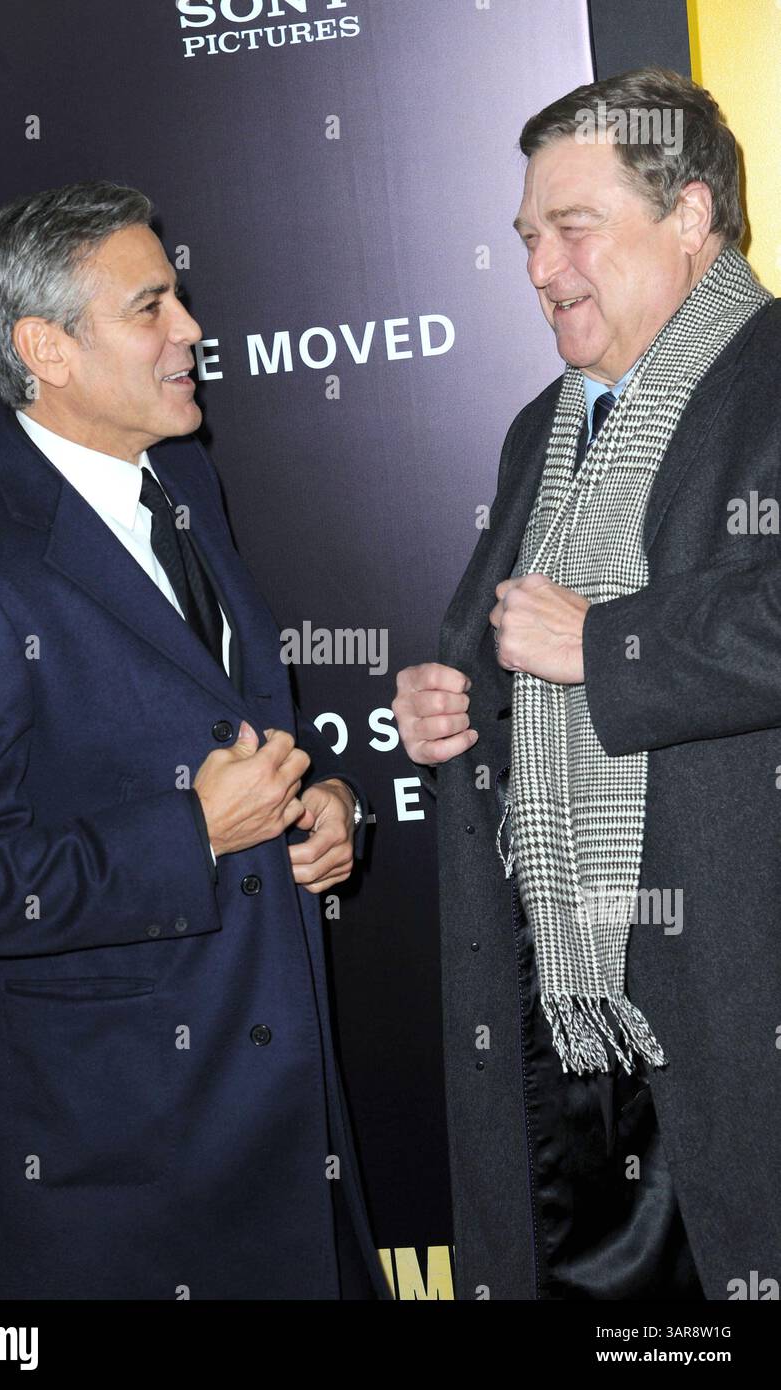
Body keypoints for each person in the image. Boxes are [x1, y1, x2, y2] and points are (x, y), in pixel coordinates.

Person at [0, 180, 389, 1301]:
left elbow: (225, 726)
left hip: (285, 1124)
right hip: (124, 1191)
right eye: (150, 307)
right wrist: (193, 831)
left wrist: (321, 805)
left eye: (180, 300)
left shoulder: (186, 481)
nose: (192, 330)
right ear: (46, 350)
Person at [393, 68, 781, 1301]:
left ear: (690, 215)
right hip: (566, 1033)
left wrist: (609, 645)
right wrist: (454, 708)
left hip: (734, 1013)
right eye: (526, 236)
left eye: (573, 228)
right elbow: (513, 652)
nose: (540, 266)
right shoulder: (542, 428)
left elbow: (598, 640)